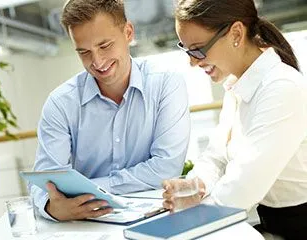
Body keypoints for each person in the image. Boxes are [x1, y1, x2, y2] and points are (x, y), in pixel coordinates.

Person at [31, 0, 190, 222]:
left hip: (156, 218)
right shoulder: (61, 103)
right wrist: (52, 207)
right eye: (84, 52)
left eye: (104, 46)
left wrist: (89, 189)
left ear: (128, 32)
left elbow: (166, 167)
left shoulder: (166, 84)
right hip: (86, 224)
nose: (97, 61)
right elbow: (44, 181)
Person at [162, 0, 307, 239]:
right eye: (186, 50)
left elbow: (242, 188)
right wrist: (193, 186)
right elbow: (216, 157)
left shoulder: (281, 88)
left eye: (197, 49)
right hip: (272, 225)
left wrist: (186, 220)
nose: (192, 62)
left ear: (236, 33)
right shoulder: (238, 86)